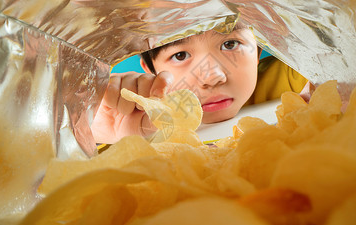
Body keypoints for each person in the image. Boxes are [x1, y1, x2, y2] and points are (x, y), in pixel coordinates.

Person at [91, 25, 309, 144]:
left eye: (230, 44)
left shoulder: (299, 76)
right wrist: (111, 135)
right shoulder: (139, 117)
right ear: (151, 70)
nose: (212, 77)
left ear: (259, 50)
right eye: (180, 55)